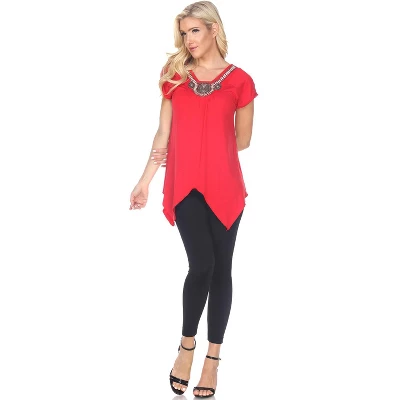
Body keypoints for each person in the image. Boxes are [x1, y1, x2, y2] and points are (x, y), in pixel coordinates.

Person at [129, 1, 257, 397]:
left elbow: (243, 140)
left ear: (214, 29)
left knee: (222, 271)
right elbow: (162, 134)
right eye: (184, 33)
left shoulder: (240, 81)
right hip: (184, 185)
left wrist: (207, 147)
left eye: (194, 31)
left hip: (225, 185)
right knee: (201, 264)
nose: (188, 39)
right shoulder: (174, 76)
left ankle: (212, 360)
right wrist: (145, 181)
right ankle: (186, 348)